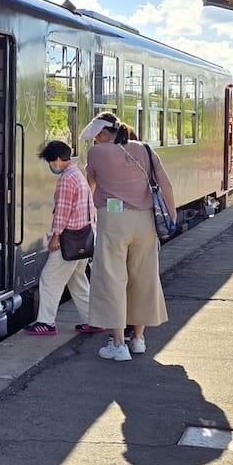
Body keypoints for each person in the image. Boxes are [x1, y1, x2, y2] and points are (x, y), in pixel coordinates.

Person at [81, 112, 176, 361]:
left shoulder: (97, 153)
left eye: (96, 137)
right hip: (145, 220)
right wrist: (172, 217)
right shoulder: (144, 148)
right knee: (143, 277)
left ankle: (119, 344)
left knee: (112, 277)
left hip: (114, 221)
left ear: (101, 133)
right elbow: (165, 183)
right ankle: (139, 340)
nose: (95, 141)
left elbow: (91, 185)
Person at [25, 141, 104, 336]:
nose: (51, 166)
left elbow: (62, 211)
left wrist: (55, 237)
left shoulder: (67, 179)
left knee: (49, 279)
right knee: (77, 280)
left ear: (59, 159)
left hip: (70, 239)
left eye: (51, 161)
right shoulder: (77, 175)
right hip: (84, 237)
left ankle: (46, 322)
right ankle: (93, 320)